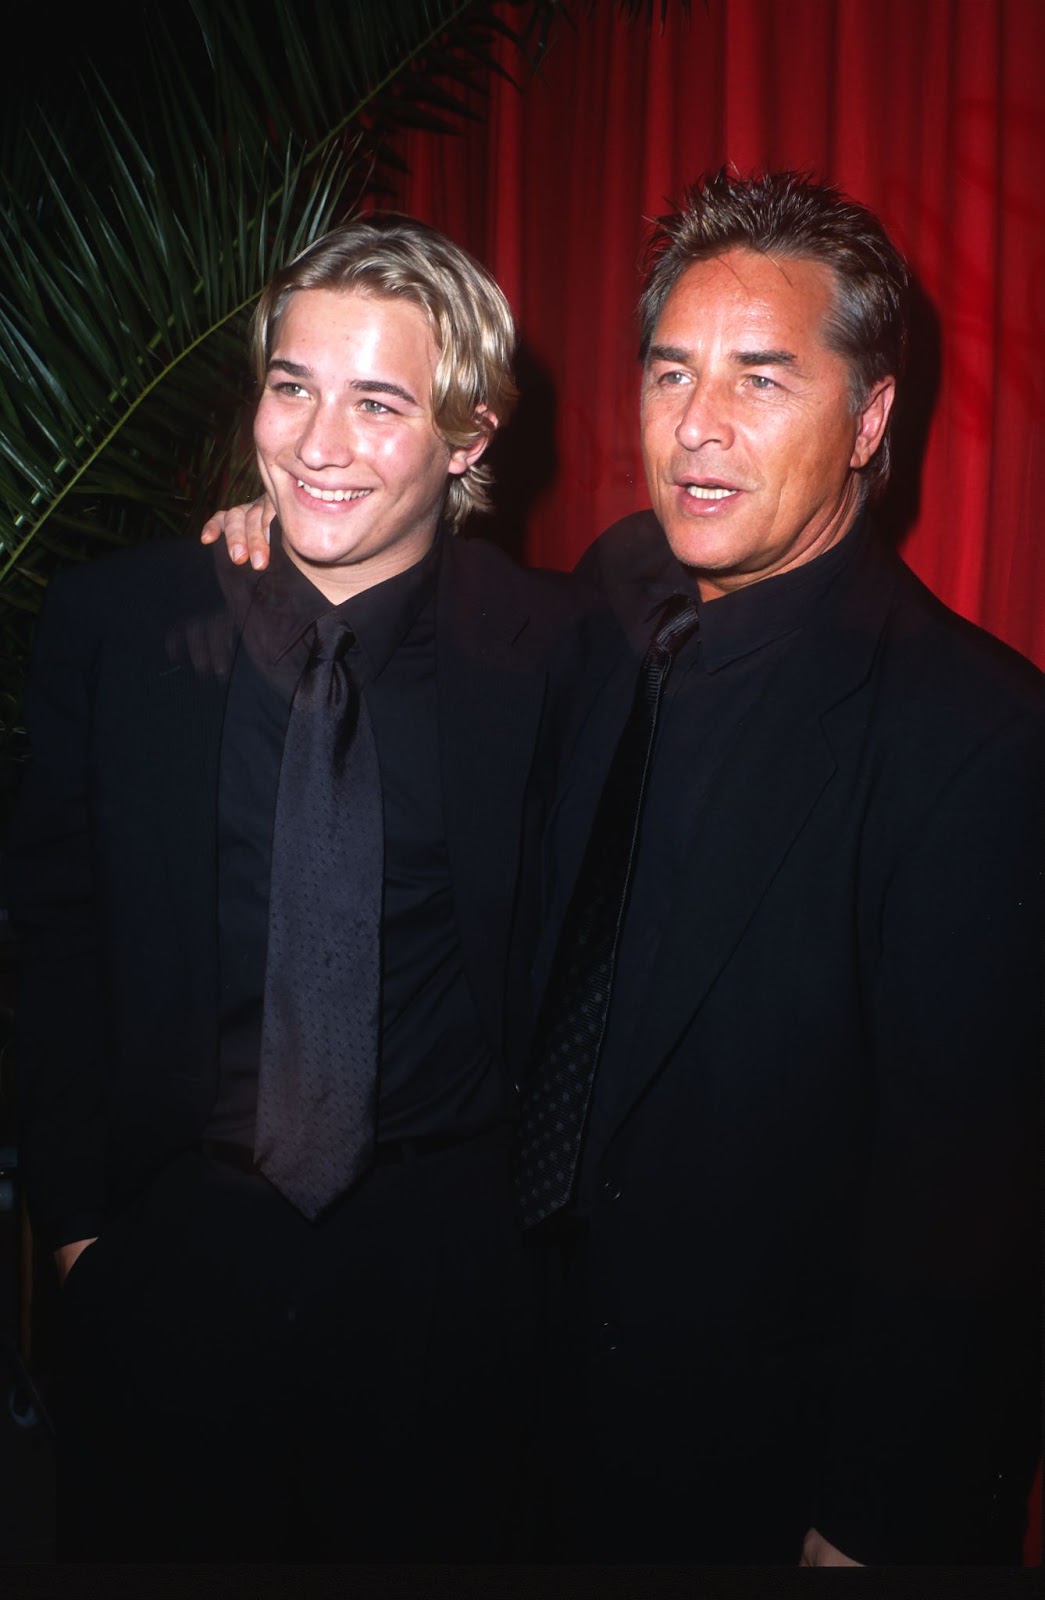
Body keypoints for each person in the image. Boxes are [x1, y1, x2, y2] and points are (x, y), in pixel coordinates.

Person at [205, 172, 1043, 1567]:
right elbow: (405, 611)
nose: (696, 429)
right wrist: (281, 538)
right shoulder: (603, 595)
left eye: (761, 381)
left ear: (870, 418)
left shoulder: (975, 734)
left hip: (753, 1457)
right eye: (670, 373)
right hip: (502, 1396)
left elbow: (971, 1200)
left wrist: (871, 1518)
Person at [8, 214, 594, 1561]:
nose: (316, 446)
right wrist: (82, 1235)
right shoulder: (121, 627)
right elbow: (57, 942)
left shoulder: (556, 650)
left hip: (448, 1286)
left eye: (379, 403)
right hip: (168, 1261)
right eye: (292, 387)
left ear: (470, 437)